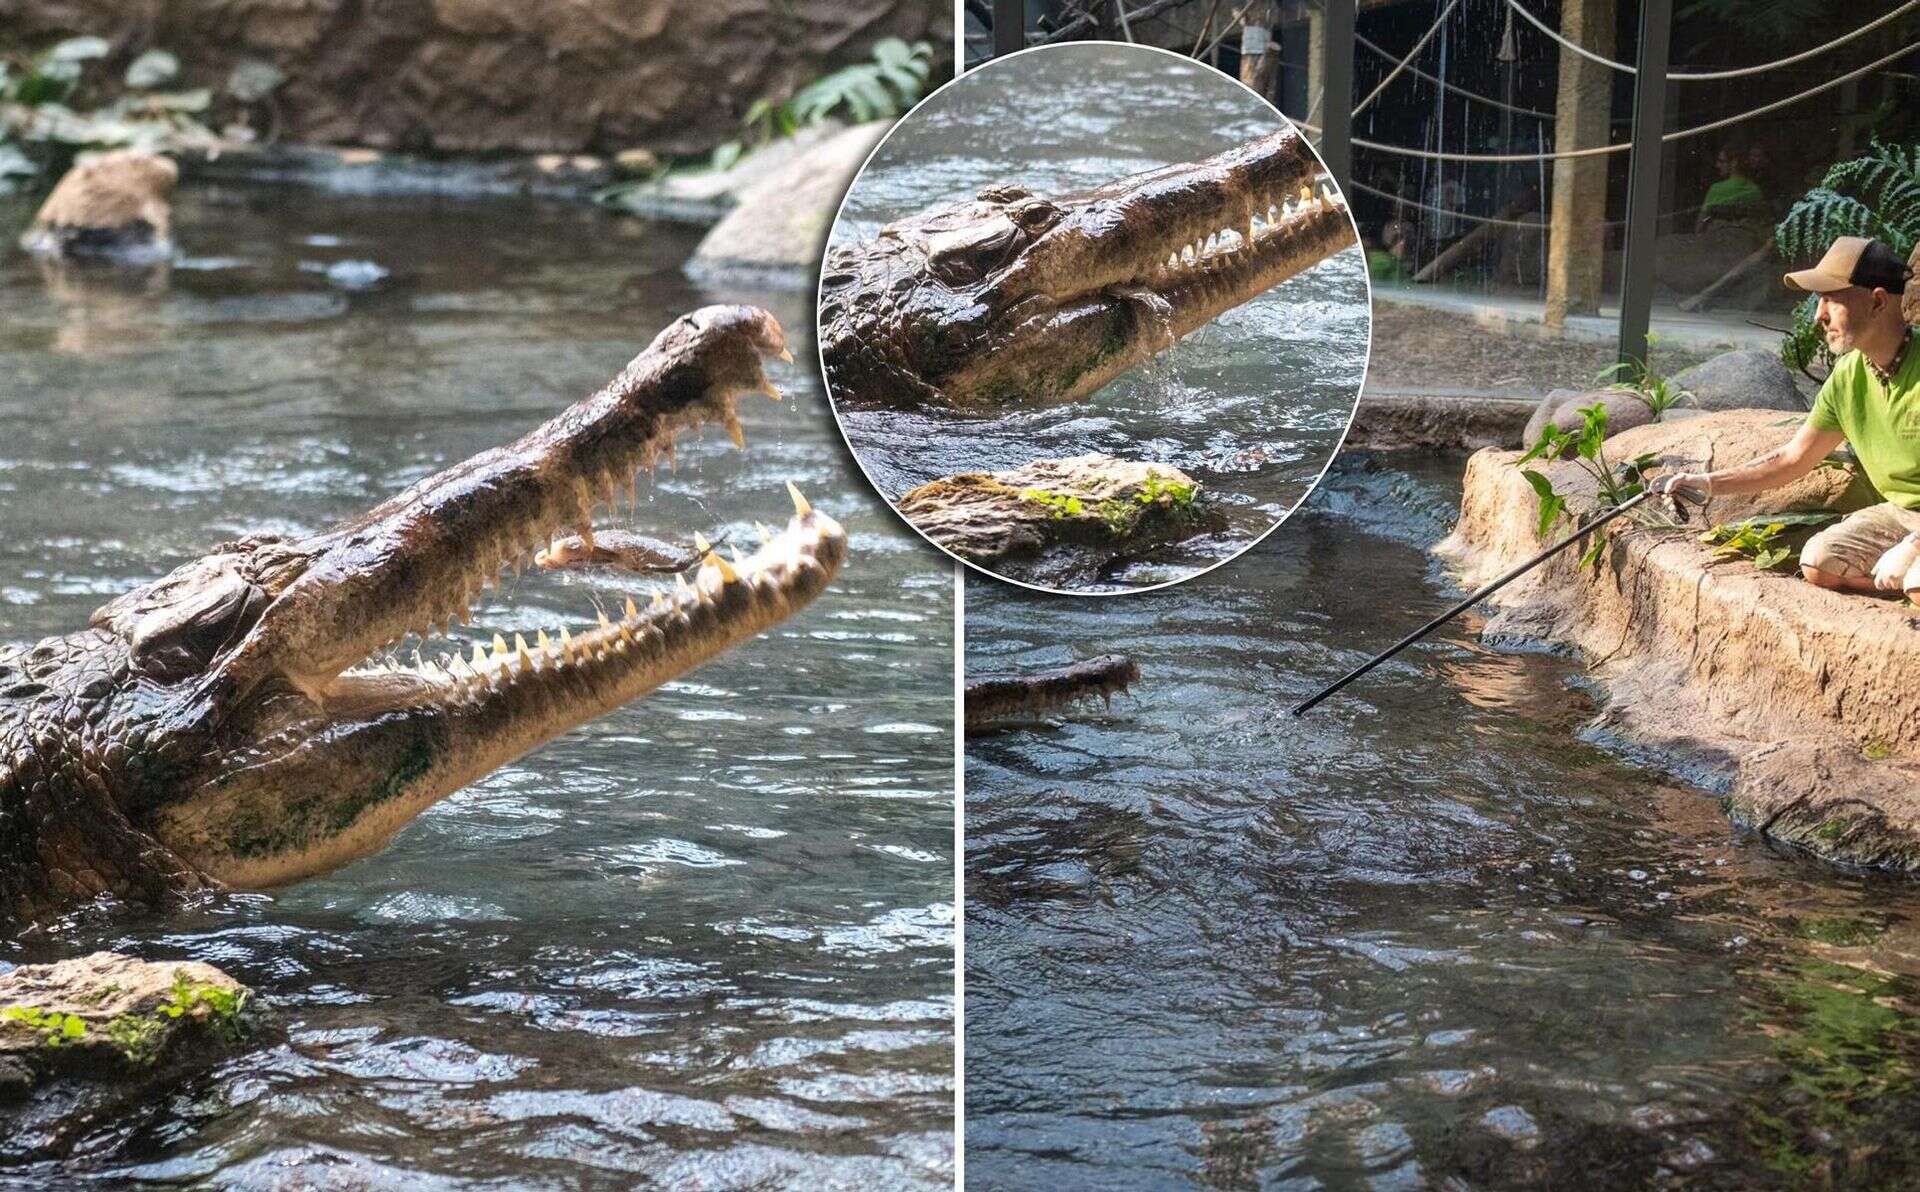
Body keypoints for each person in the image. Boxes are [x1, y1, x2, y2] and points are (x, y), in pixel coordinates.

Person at [1654, 236, 1918, 599]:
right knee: (1818, 562)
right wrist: (1706, 482)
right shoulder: (1849, 375)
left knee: (1917, 581)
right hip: (1901, 514)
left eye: (1831, 299)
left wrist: (1914, 547)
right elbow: (1792, 459)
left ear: (1876, 301)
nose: (1818, 315)